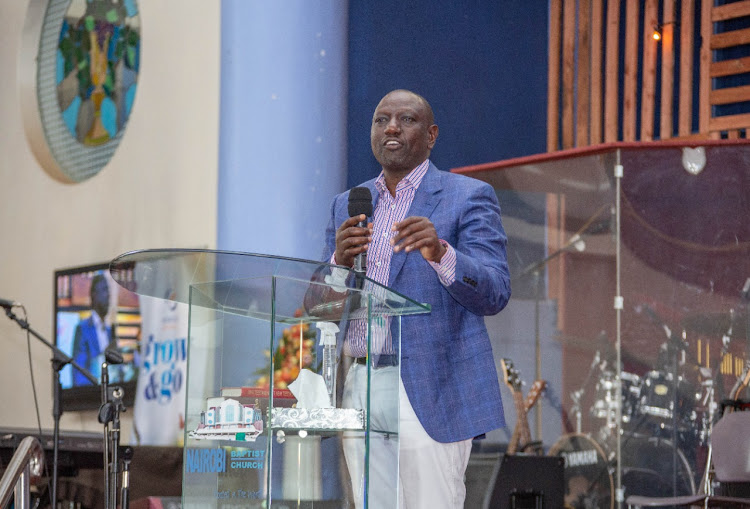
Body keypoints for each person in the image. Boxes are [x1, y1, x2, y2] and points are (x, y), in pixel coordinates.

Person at [321, 89, 511, 508]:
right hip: (361, 380)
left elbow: (495, 290)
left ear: (431, 135)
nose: (391, 127)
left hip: (431, 386)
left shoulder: (468, 196)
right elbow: (319, 306)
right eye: (380, 119)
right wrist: (338, 259)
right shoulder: (349, 205)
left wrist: (442, 254)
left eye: (406, 119)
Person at [72, 273, 113, 386]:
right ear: (94, 295)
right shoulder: (83, 329)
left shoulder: (109, 331)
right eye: (105, 290)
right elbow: (79, 375)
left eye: (108, 291)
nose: (108, 295)